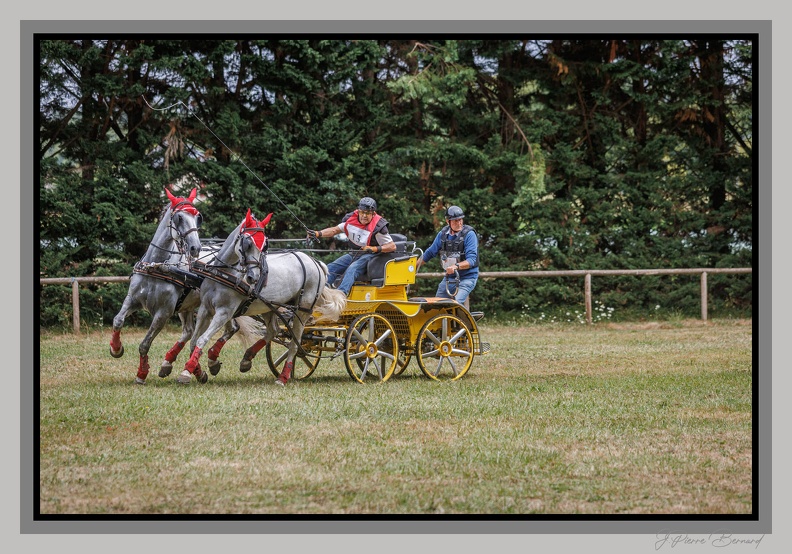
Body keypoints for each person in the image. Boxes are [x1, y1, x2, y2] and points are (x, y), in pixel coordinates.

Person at [307, 196, 396, 296]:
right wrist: (318, 233)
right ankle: (321, 293)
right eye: (362, 212)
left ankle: (340, 296)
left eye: (368, 213)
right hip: (355, 253)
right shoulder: (350, 219)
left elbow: (392, 246)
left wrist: (373, 248)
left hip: (371, 256)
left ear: (373, 213)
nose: (364, 216)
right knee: (331, 268)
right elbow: (334, 230)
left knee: (352, 268)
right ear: (358, 211)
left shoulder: (379, 227)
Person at [416, 205, 479, 307]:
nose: (459, 223)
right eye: (455, 221)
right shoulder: (443, 235)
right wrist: (414, 267)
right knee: (436, 306)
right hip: (449, 278)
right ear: (447, 221)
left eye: (460, 220)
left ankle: (461, 322)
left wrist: (456, 266)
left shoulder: (469, 235)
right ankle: (442, 322)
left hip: (467, 278)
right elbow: (430, 253)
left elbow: (471, 260)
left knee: (455, 304)